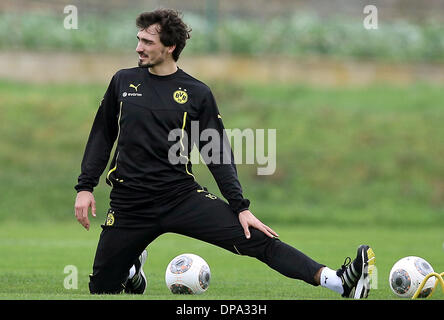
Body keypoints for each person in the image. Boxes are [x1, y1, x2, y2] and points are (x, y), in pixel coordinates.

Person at [74, 9, 375, 298]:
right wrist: (86, 186)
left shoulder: (197, 93)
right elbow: (102, 135)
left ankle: (339, 282)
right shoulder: (123, 81)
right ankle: (131, 272)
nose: (138, 47)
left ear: (170, 47)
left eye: (147, 42)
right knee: (101, 290)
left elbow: (216, 152)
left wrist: (240, 206)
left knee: (257, 239)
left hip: (180, 198)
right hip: (130, 204)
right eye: (139, 39)